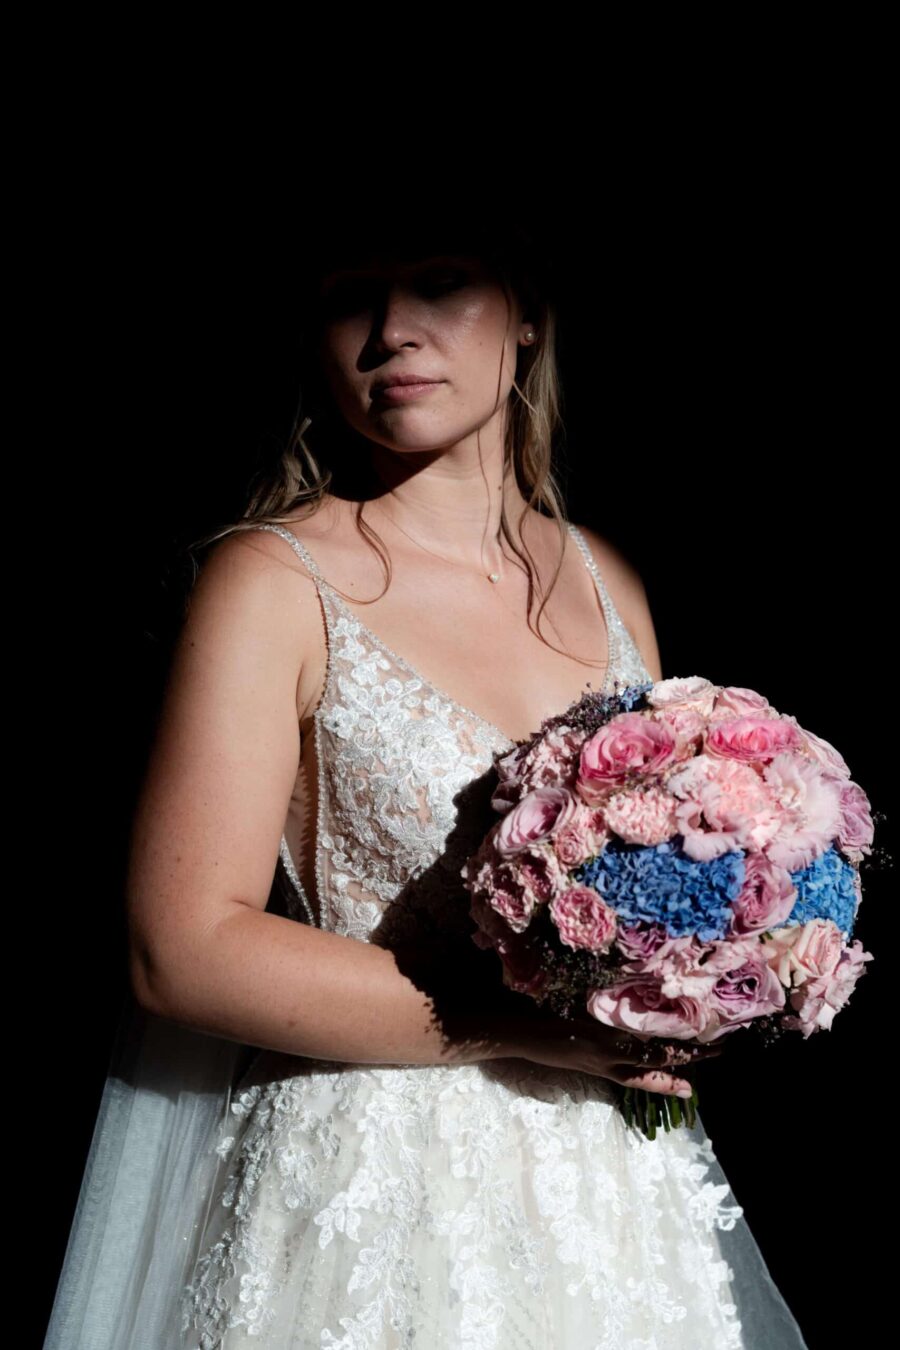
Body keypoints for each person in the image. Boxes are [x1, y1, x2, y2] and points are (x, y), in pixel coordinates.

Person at [44, 208, 811, 1348]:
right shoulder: (274, 583)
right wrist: (527, 1028)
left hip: (606, 1198)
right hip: (371, 1187)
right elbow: (181, 948)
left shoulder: (609, 581)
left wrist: (724, 962)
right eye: (353, 295)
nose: (393, 330)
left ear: (528, 316)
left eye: (440, 279)